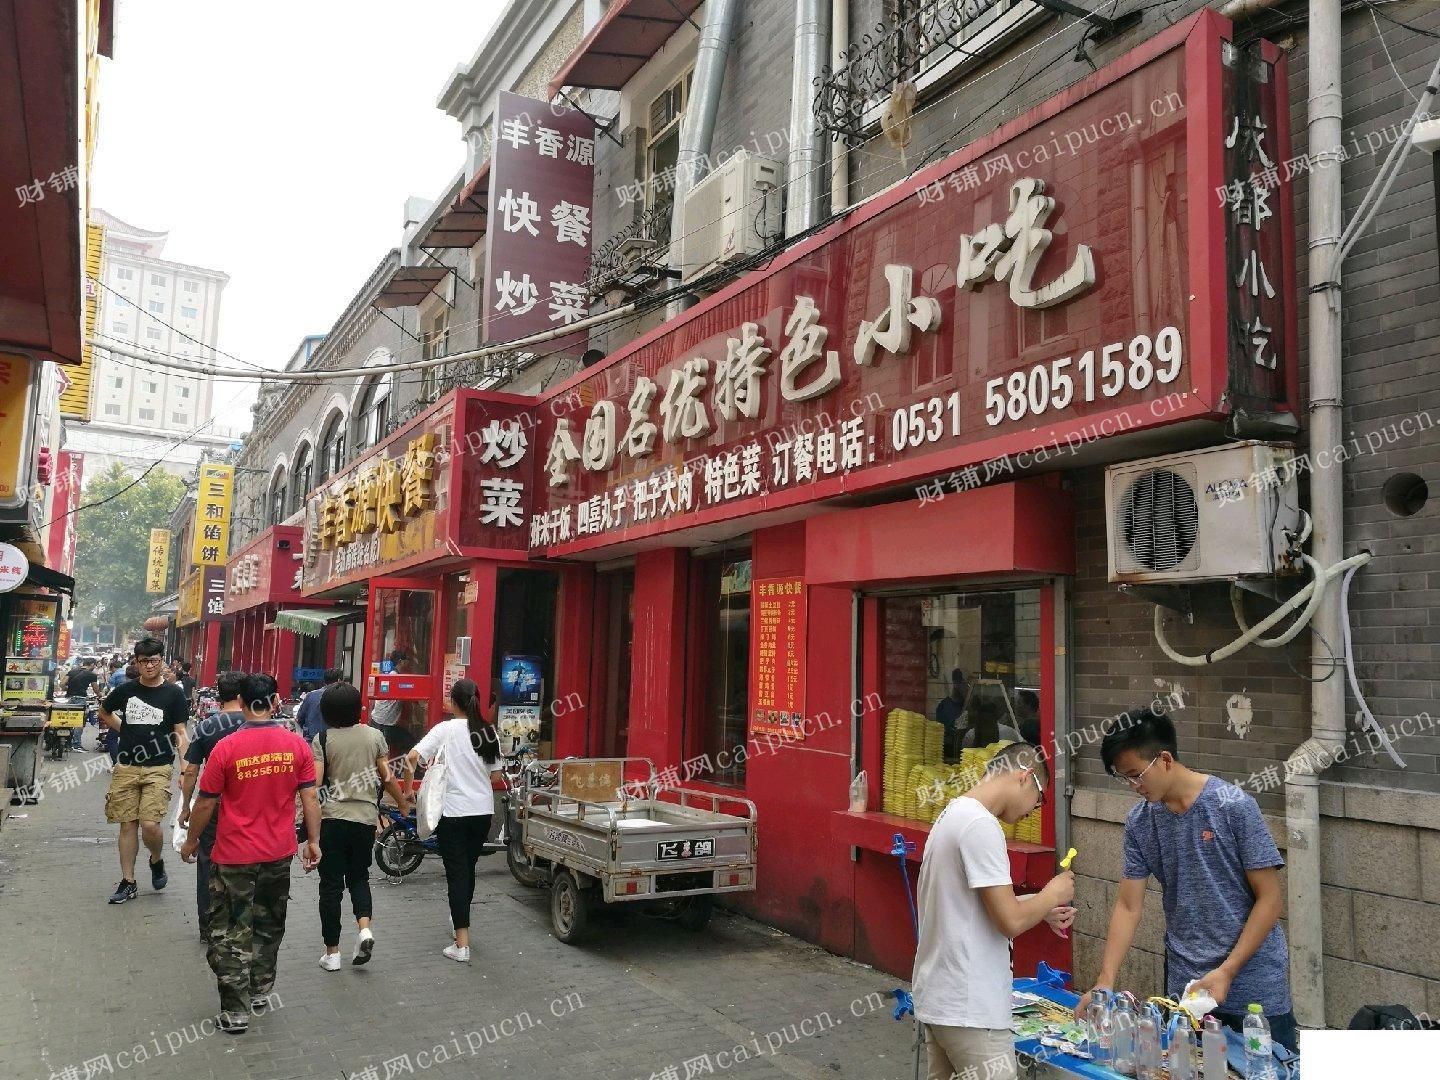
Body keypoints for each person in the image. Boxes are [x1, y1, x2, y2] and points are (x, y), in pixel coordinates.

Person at [1076, 707, 1296, 1052]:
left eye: (1135, 775)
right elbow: (1128, 905)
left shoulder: (1232, 805)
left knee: (1265, 1070)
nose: (1133, 787)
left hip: (1252, 990)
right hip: (1187, 990)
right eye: (1124, 779)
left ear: (1164, 759)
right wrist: (1105, 980)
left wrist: (1227, 971)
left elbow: (1270, 899)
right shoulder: (1140, 822)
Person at [913, 742, 1075, 1080]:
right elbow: (1009, 921)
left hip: (941, 1001)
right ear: (1025, 777)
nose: (1035, 809)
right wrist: (1052, 894)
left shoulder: (954, 813)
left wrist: (1039, 907)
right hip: (971, 1009)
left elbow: (972, 907)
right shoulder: (981, 826)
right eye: (1040, 798)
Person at [180, 673, 320, 1035]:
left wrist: (191, 840)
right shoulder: (296, 746)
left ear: (241, 703)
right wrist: (313, 841)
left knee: (230, 928)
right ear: (275, 701)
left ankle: (236, 1010)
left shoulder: (226, 748)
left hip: (234, 855)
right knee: (269, 923)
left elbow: (206, 803)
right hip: (279, 852)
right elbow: (309, 797)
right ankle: (260, 990)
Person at [403, 678, 501, 963]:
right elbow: (496, 776)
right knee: (467, 869)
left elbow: (411, 758)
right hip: (482, 812)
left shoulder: (445, 730)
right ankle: (460, 918)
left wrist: (408, 791)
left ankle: (462, 944)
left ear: (454, 702)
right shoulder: (488, 732)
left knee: (457, 874)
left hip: (453, 813)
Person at [312, 681, 409, 971]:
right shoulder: (374, 736)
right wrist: (402, 803)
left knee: (330, 886)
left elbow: (315, 788)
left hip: (332, 821)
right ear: (358, 709)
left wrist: (309, 829)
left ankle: (332, 953)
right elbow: (387, 778)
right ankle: (364, 929)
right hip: (365, 821)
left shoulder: (322, 739)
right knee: (359, 878)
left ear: (327, 711)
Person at [98, 638, 189, 905]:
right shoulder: (125, 690)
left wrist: (185, 769)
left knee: (150, 824)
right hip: (126, 766)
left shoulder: (173, 694)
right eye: (144, 661)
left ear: (162, 661)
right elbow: (104, 712)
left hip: (158, 766)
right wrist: (124, 730)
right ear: (136, 662)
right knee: (127, 824)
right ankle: (128, 882)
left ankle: (156, 859)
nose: (149, 665)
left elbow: (180, 732)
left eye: (154, 660)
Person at [179, 671, 247, 942]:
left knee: (208, 860)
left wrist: (186, 806)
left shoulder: (207, 726)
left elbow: (191, 771)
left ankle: (207, 926)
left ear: (220, 695)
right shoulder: (253, 723)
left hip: (213, 804)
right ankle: (238, 921)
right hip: (247, 805)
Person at [296, 668, 343, 741]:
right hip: (333, 742)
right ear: (339, 680)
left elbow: (300, 718)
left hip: (311, 740)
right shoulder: (342, 698)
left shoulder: (311, 695)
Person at [64, 657, 100, 750]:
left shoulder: (72, 671)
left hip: (68, 699)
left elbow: (62, 684)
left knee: (67, 719)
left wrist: (69, 687)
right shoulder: (92, 675)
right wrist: (100, 696)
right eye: (94, 665)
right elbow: (96, 689)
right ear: (92, 664)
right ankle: (76, 744)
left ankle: (65, 742)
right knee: (79, 721)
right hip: (80, 699)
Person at [936, 668, 969, 758]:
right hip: (948, 749)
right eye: (959, 683)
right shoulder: (943, 706)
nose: (963, 687)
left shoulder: (967, 705)